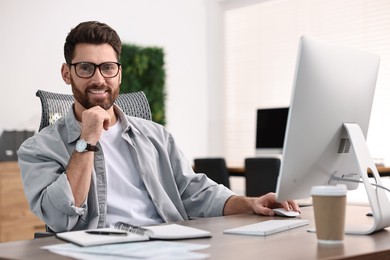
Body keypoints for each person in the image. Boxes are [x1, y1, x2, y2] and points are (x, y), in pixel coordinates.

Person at [18, 21, 299, 233]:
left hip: (167, 242)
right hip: (99, 248)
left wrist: (250, 203)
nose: (99, 79)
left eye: (107, 67)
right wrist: (87, 139)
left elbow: (194, 192)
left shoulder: (155, 136)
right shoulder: (38, 148)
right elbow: (58, 218)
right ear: (67, 73)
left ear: (119, 73)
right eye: (85, 68)